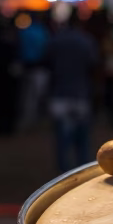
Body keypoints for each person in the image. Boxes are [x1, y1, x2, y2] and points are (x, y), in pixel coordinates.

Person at [45, 11, 99, 173]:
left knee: (62, 140)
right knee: (82, 140)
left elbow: (47, 64)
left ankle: (63, 174)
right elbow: (93, 66)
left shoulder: (55, 41)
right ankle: (82, 173)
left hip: (60, 94)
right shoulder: (86, 41)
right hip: (80, 94)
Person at [17, 11, 50, 130]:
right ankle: (36, 120)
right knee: (39, 95)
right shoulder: (42, 31)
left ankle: (30, 120)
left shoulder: (25, 32)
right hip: (39, 67)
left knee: (29, 97)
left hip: (29, 67)